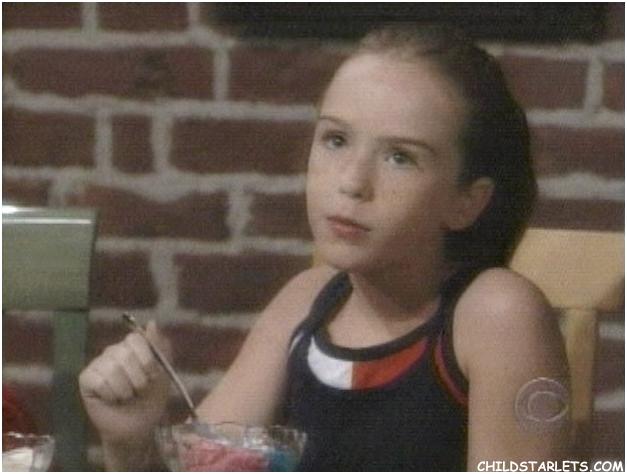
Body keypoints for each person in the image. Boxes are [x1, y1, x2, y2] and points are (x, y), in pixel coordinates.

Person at [79, 24, 571, 471]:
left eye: (400, 157)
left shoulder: (497, 315)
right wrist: (130, 442)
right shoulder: (305, 300)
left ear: (467, 201)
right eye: (336, 140)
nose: (352, 182)